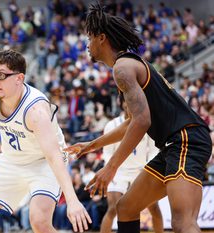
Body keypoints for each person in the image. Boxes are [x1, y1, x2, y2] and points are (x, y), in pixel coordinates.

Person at [65, 2, 212, 233]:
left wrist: (111, 167)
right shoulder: (128, 65)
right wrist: (90, 146)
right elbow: (133, 121)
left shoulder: (122, 68)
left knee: (183, 222)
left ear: (102, 38)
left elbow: (142, 122)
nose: (87, 44)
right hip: (173, 144)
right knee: (126, 208)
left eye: (89, 37)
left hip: (186, 140)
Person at [0, 49, 91, 233]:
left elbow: (53, 156)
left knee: (39, 222)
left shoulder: (36, 111)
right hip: (10, 161)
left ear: (19, 78)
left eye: (1, 75)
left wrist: (73, 201)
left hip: (44, 164)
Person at [100, 99, 163, 233]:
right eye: (126, 101)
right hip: (118, 171)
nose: (129, 105)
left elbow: (153, 150)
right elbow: (106, 153)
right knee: (112, 208)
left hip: (141, 170)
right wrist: (110, 169)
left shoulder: (146, 123)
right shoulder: (112, 125)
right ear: (122, 104)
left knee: (154, 208)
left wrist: (148, 168)